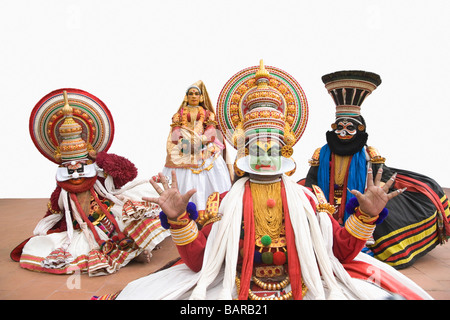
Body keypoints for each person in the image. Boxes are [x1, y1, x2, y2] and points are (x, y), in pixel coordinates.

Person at [110, 62, 431, 300]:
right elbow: (198, 262)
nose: (264, 150)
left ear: (286, 150)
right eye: (256, 143)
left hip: (304, 286)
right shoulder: (221, 202)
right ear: (243, 150)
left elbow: (341, 252)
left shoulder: (309, 198)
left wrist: (367, 216)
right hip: (234, 289)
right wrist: (179, 220)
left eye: (272, 144)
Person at [11, 89, 170, 276]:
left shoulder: (99, 176)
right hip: (86, 228)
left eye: (81, 165)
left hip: (113, 212)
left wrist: (100, 157)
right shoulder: (61, 192)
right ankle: (134, 254)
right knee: (88, 246)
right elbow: (54, 213)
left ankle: (137, 250)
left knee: (133, 217)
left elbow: (129, 171)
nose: (76, 173)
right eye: (69, 168)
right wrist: (52, 232)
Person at [301, 70, 450, 269]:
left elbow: (382, 176)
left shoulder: (369, 154)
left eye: (349, 128)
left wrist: (371, 196)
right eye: (339, 128)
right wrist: (316, 199)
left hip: (361, 201)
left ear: (360, 130)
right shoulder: (322, 153)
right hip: (326, 201)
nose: (343, 133)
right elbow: (312, 180)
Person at [161, 80, 232, 220]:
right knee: (183, 181)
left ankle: (213, 212)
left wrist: (201, 141)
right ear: (186, 97)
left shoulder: (208, 114)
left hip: (205, 148)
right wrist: (183, 144)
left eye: (196, 94)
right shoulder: (179, 115)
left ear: (201, 97)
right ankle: (184, 214)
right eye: (191, 94)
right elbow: (175, 132)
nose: (194, 96)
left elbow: (212, 131)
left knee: (212, 176)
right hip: (184, 150)